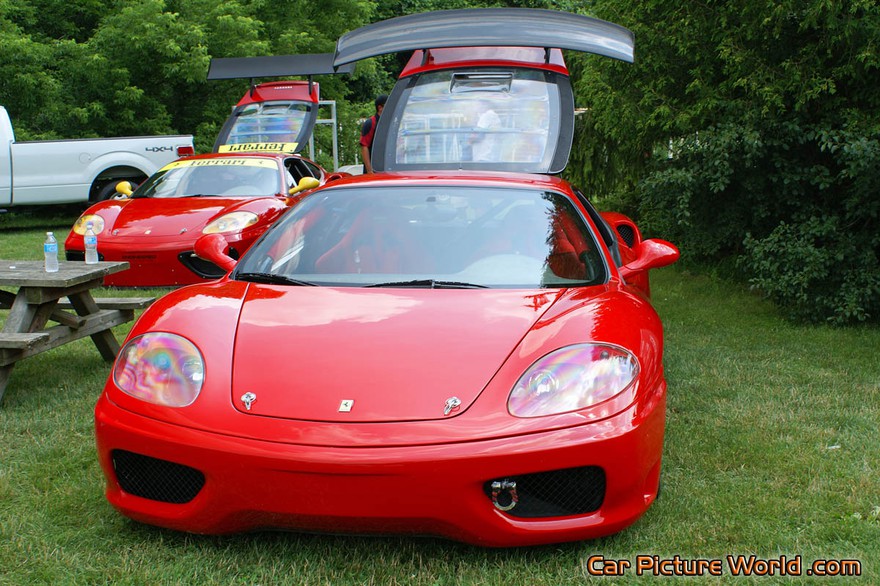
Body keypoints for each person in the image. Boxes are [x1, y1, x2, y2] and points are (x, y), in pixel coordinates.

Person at [360, 94, 387, 173]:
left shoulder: (389, 123)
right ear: (380, 107)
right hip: (373, 170)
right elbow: (364, 147)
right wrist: (369, 171)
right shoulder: (371, 123)